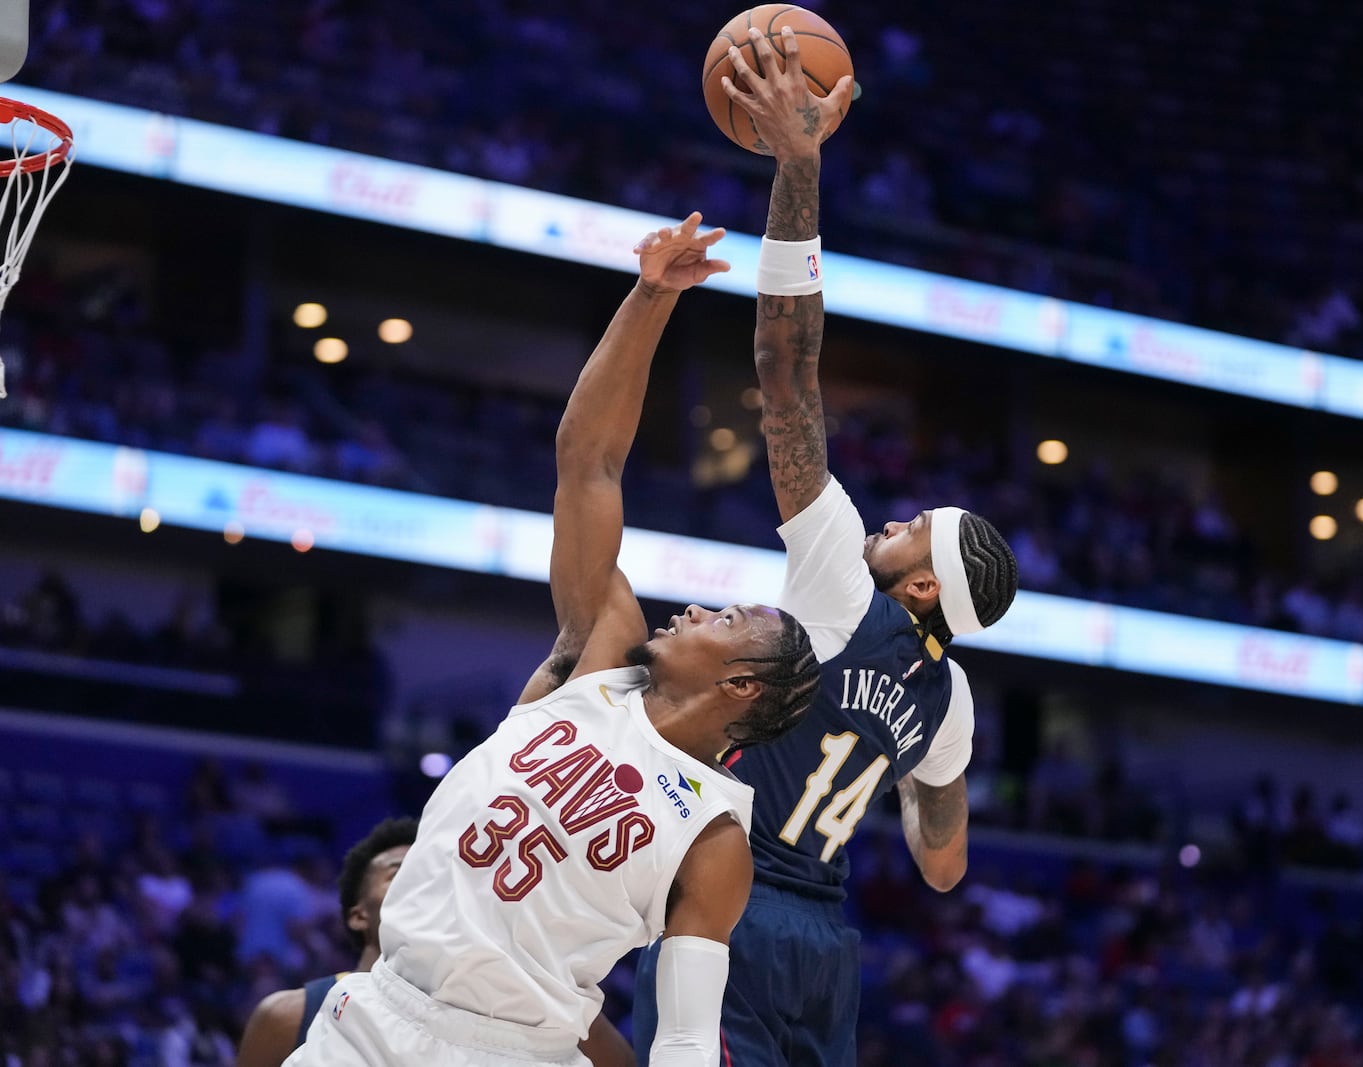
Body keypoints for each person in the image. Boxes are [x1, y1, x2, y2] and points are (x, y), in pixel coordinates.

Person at [285, 214, 822, 1067]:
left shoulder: (716, 839)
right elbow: (588, 461)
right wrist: (652, 296)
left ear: (745, 685)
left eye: (725, 619)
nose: (692, 609)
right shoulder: (603, 654)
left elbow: (683, 1032)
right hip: (373, 1017)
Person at [633, 28, 1019, 1067]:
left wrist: (798, 172)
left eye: (910, 528)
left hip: (730, 904)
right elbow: (942, 867)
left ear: (926, 582)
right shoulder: (954, 699)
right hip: (827, 947)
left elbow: (785, 363)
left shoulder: (843, 581)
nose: (888, 520)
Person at [237, 817, 417, 1067]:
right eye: (398, 874)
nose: (420, 886)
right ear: (358, 915)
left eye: (428, 878)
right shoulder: (288, 1017)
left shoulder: (468, 1018)